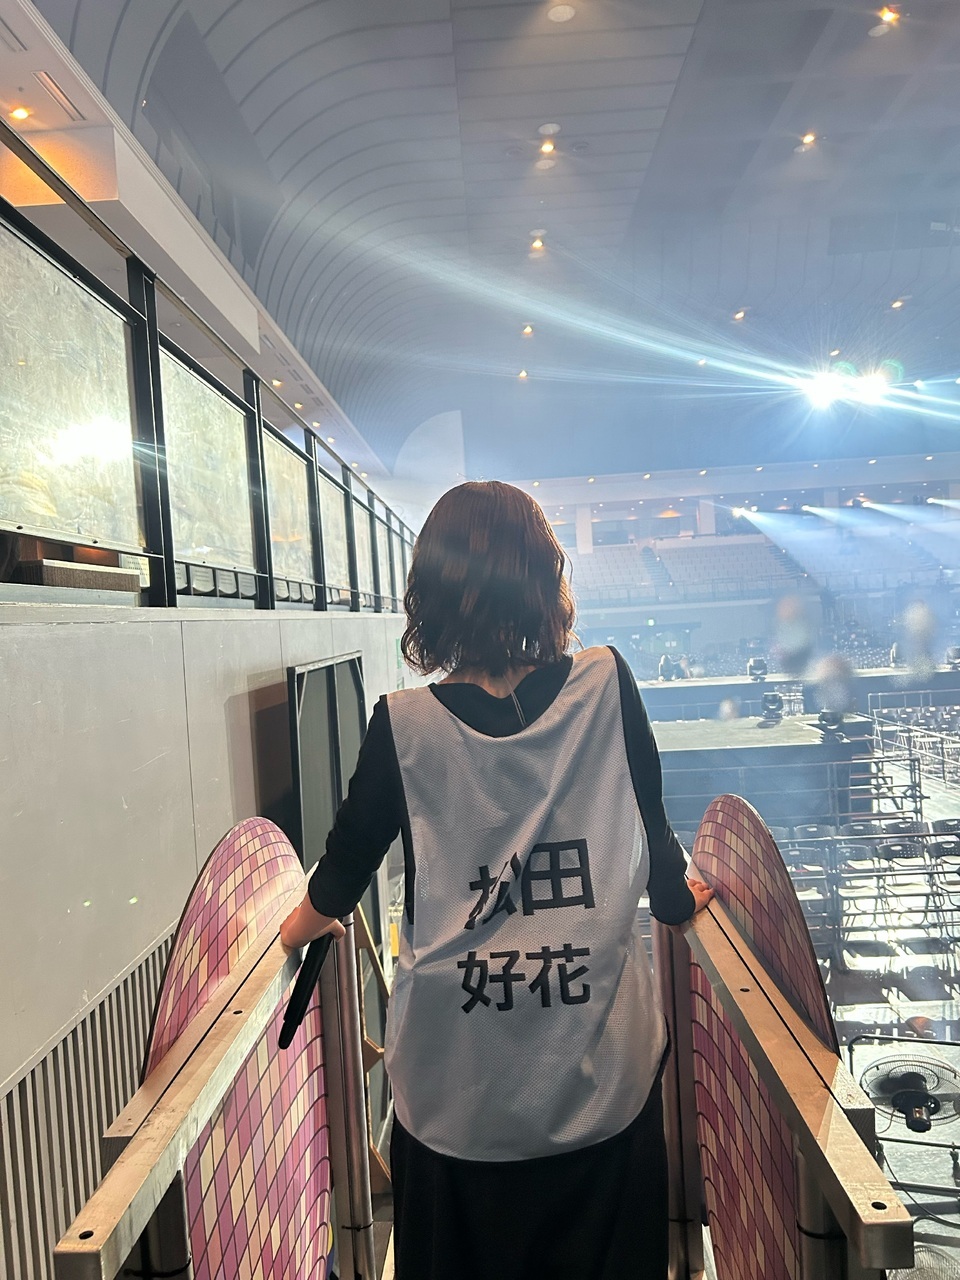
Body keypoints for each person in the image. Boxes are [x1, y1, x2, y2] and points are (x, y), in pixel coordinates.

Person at [281, 481, 713, 1280]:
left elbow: (340, 875)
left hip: (455, 1088)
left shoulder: (403, 724)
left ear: (432, 594)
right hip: (600, 1080)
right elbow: (659, 858)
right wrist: (688, 898)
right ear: (546, 581)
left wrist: (295, 928)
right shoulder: (607, 684)